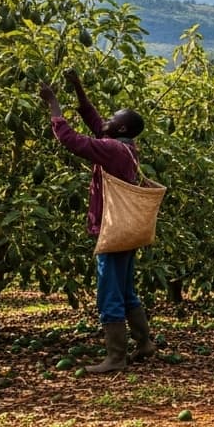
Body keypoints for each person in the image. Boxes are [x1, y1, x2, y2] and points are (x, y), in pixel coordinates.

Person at [40, 69, 157, 374]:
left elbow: (72, 140)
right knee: (125, 289)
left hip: (113, 230)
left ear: (120, 127)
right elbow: (95, 121)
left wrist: (53, 105)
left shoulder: (112, 150)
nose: (105, 120)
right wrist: (78, 88)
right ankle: (144, 344)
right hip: (127, 231)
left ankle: (115, 357)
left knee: (109, 293)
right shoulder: (125, 147)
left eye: (112, 118)